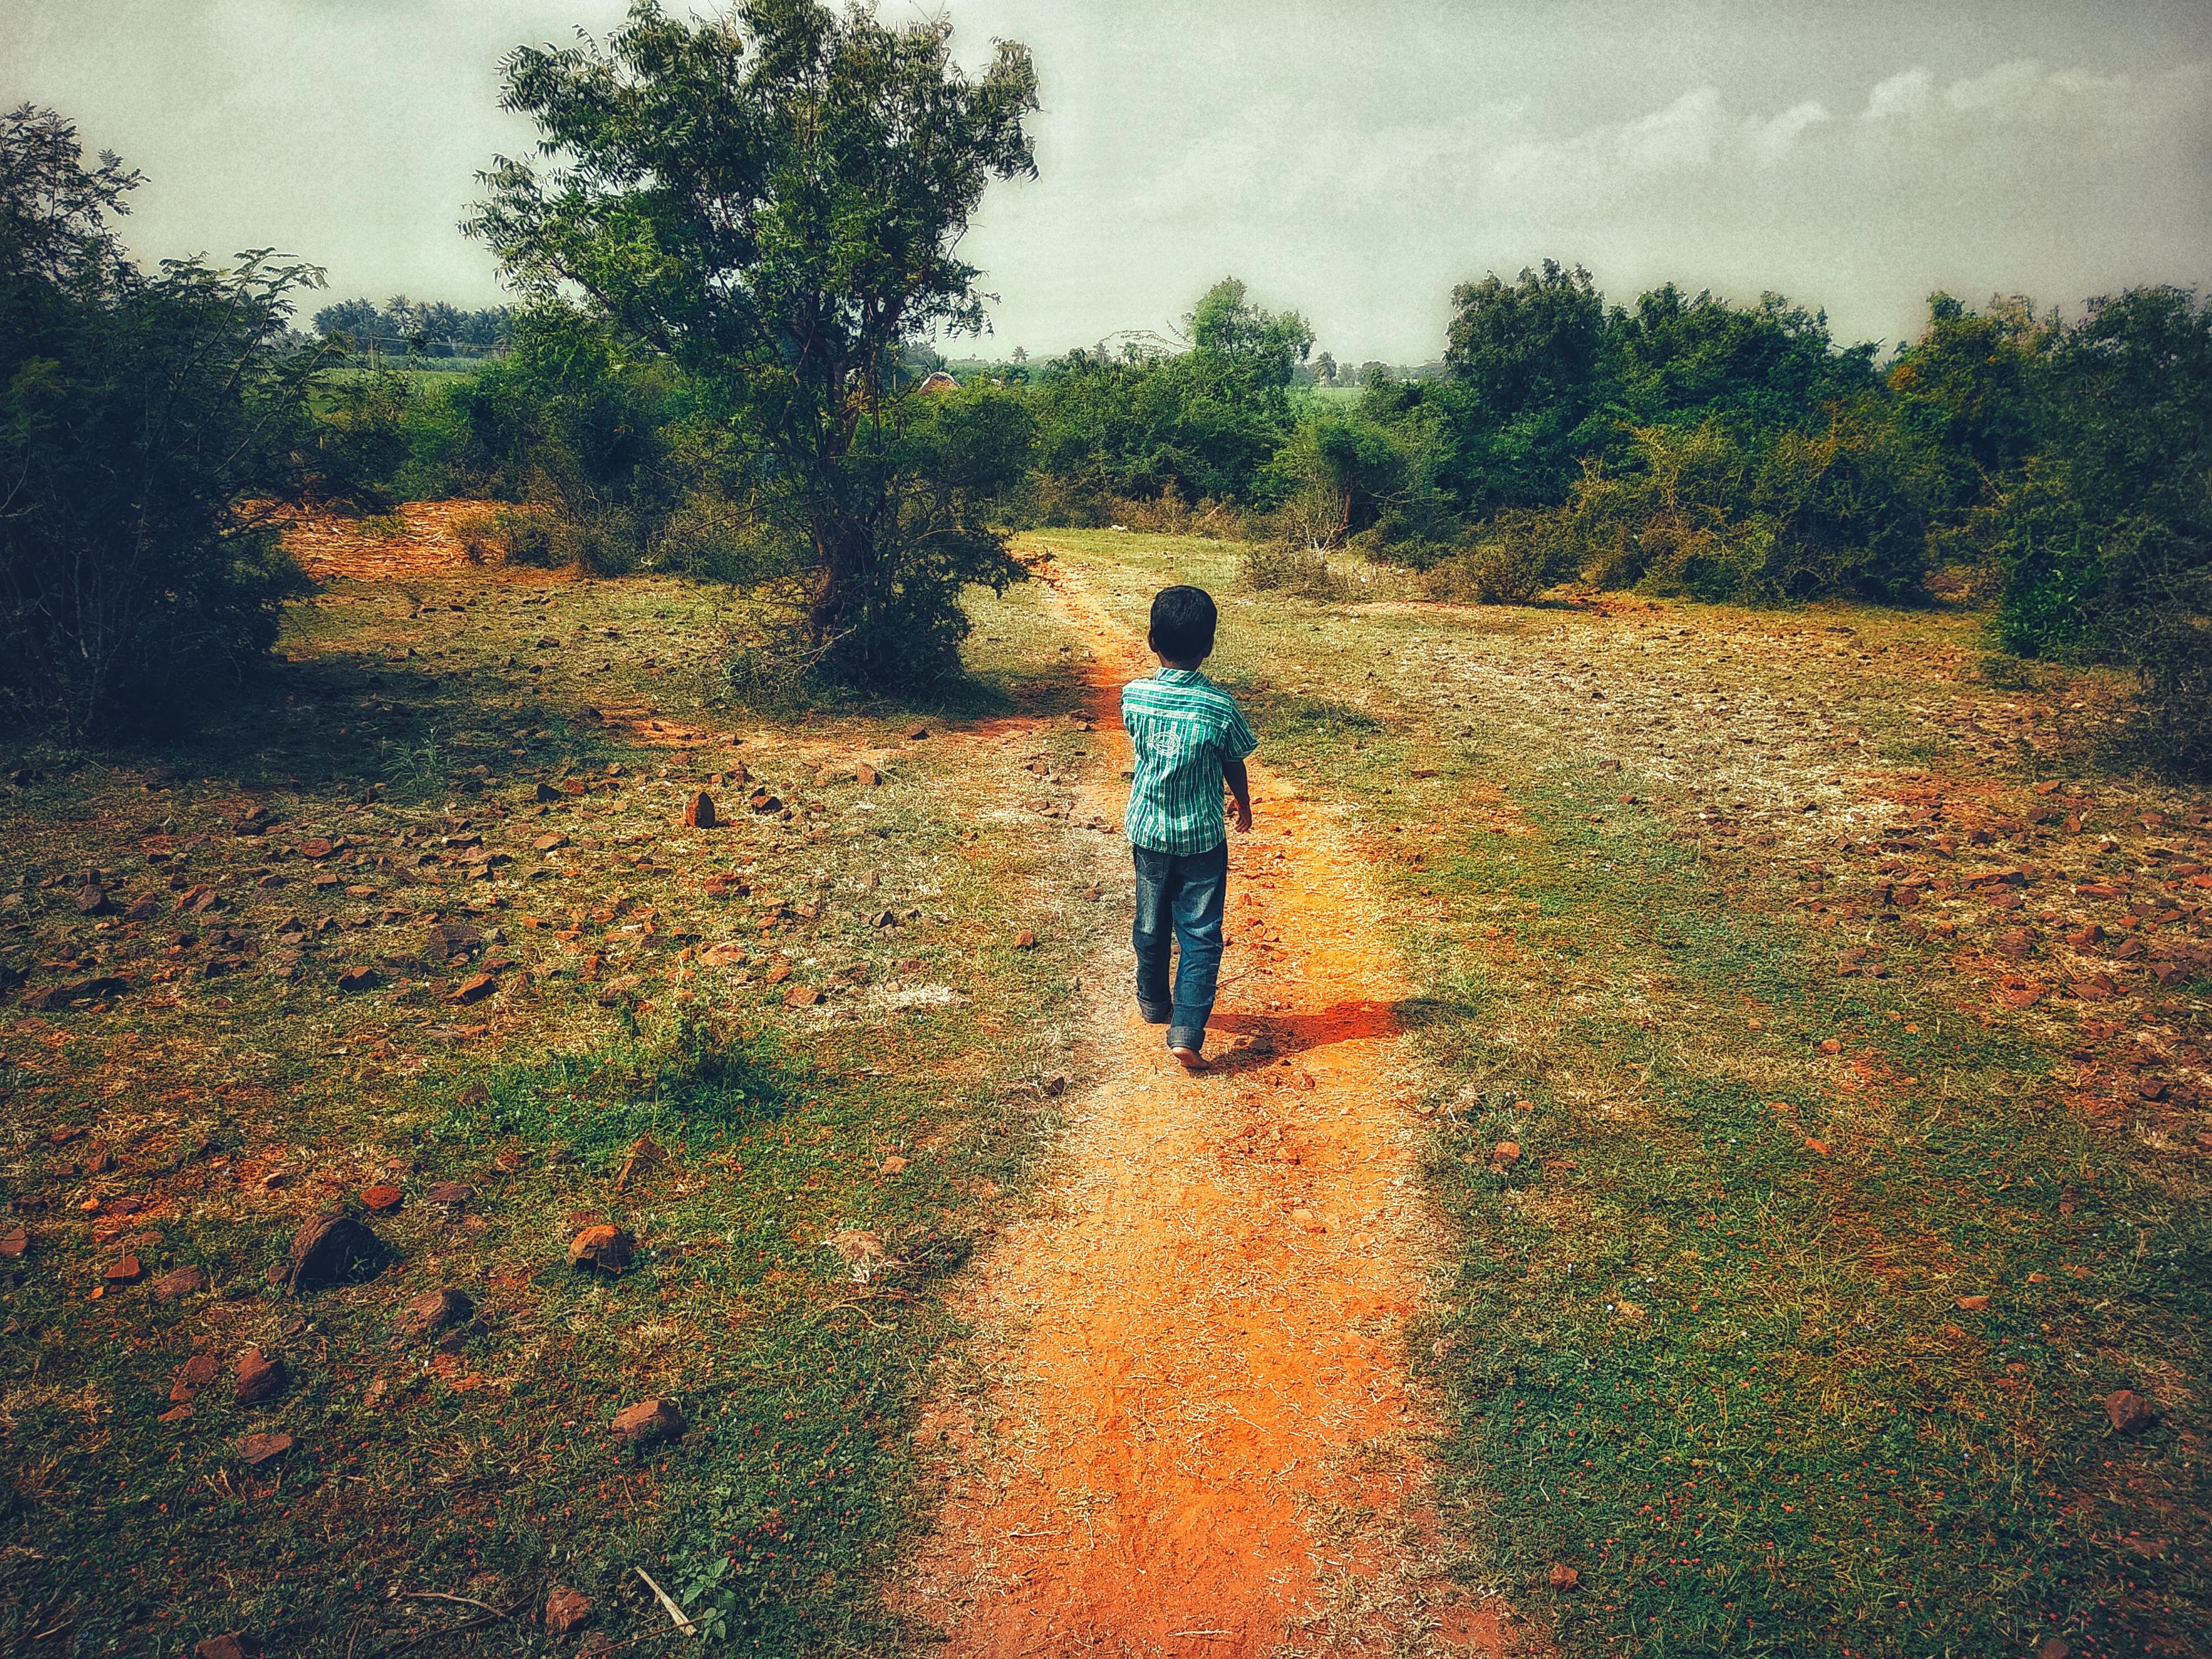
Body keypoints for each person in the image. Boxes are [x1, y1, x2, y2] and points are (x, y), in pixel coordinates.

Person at [1120, 585, 1256, 1069]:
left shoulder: (1134, 696)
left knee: (1150, 921)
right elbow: (1234, 760)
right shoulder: (1220, 708)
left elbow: (1143, 744)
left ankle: (1154, 1002)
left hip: (1149, 832)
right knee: (1200, 933)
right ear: (1209, 646)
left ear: (1152, 640)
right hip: (1201, 838)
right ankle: (1186, 1032)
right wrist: (1243, 803)